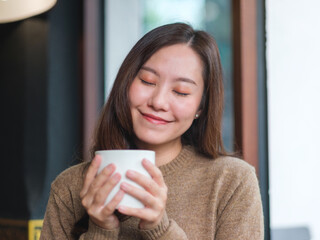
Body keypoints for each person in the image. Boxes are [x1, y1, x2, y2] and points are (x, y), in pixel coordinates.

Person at [40, 22, 264, 239]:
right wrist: (101, 230)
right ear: (125, 83)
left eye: (181, 91)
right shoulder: (70, 187)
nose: (158, 102)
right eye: (147, 81)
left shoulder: (232, 181)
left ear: (201, 108)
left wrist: (160, 228)